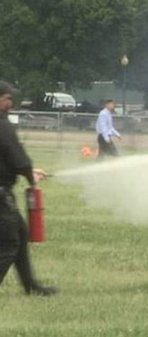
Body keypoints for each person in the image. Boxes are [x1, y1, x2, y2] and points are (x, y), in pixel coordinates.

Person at [0, 81, 58, 296]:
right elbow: (16, 156)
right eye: (7, 98)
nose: (10, 103)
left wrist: (28, 171)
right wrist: (29, 175)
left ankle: (31, 286)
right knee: (9, 243)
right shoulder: (3, 125)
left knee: (20, 234)